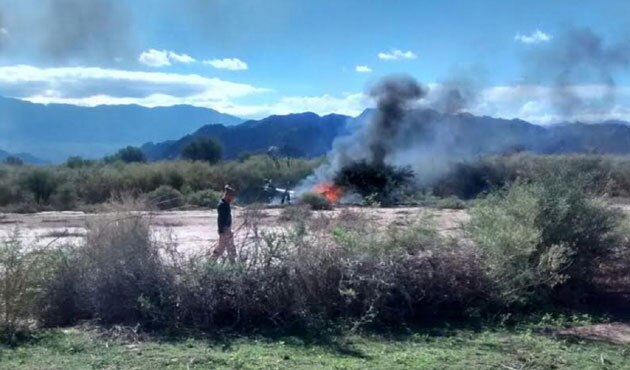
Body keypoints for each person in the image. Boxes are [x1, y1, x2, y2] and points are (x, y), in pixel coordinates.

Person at [211, 185, 236, 263]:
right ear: (228, 195)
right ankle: (211, 262)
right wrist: (227, 231)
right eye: (232, 196)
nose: (232, 199)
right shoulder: (222, 205)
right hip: (225, 230)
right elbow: (222, 220)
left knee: (228, 248)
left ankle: (212, 262)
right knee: (225, 248)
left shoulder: (226, 204)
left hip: (226, 230)